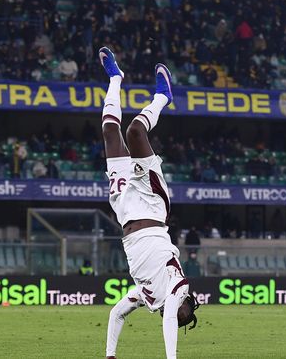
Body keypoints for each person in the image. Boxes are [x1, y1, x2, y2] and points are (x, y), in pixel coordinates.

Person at [99, 47, 199, 359]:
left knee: (110, 131)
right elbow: (170, 317)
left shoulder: (147, 296)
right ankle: (162, 98)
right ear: (188, 301)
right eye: (186, 314)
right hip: (152, 205)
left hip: (125, 208)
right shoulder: (178, 286)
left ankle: (116, 78)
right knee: (135, 130)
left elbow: (116, 313)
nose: (181, 316)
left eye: (184, 320)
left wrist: (110, 355)